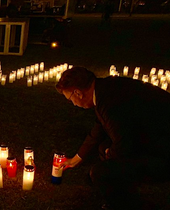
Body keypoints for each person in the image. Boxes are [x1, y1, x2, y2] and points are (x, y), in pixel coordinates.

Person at [56, 67, 170, 210]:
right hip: (154, 136)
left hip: (163, 150)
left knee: (101, 172)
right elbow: (100, 128)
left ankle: (129, 204)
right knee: (103, 150)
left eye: (70, 99)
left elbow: (124, 145)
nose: (73, 103)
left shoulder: (110, 102)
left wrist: (109, 156)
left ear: (77, 93)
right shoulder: (106, 88)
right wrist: (77, 158)